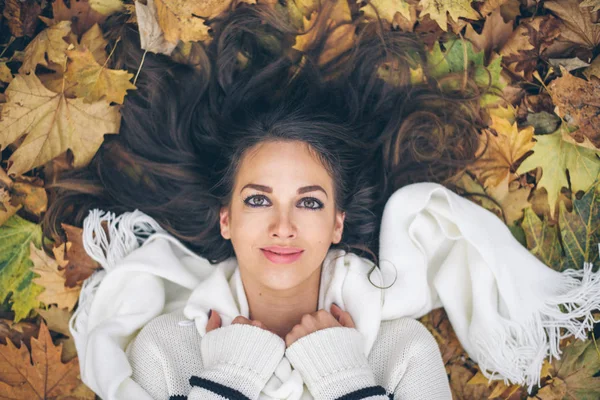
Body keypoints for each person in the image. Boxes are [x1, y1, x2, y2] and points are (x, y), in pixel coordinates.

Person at [43, 1, 487, 398]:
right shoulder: (165, 348)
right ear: (226, 220)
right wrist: (229, 376)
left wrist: (344, 376)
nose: (283, 225)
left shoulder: (404, 350)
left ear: (337, 223)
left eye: (309, 202)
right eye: (258, 201)